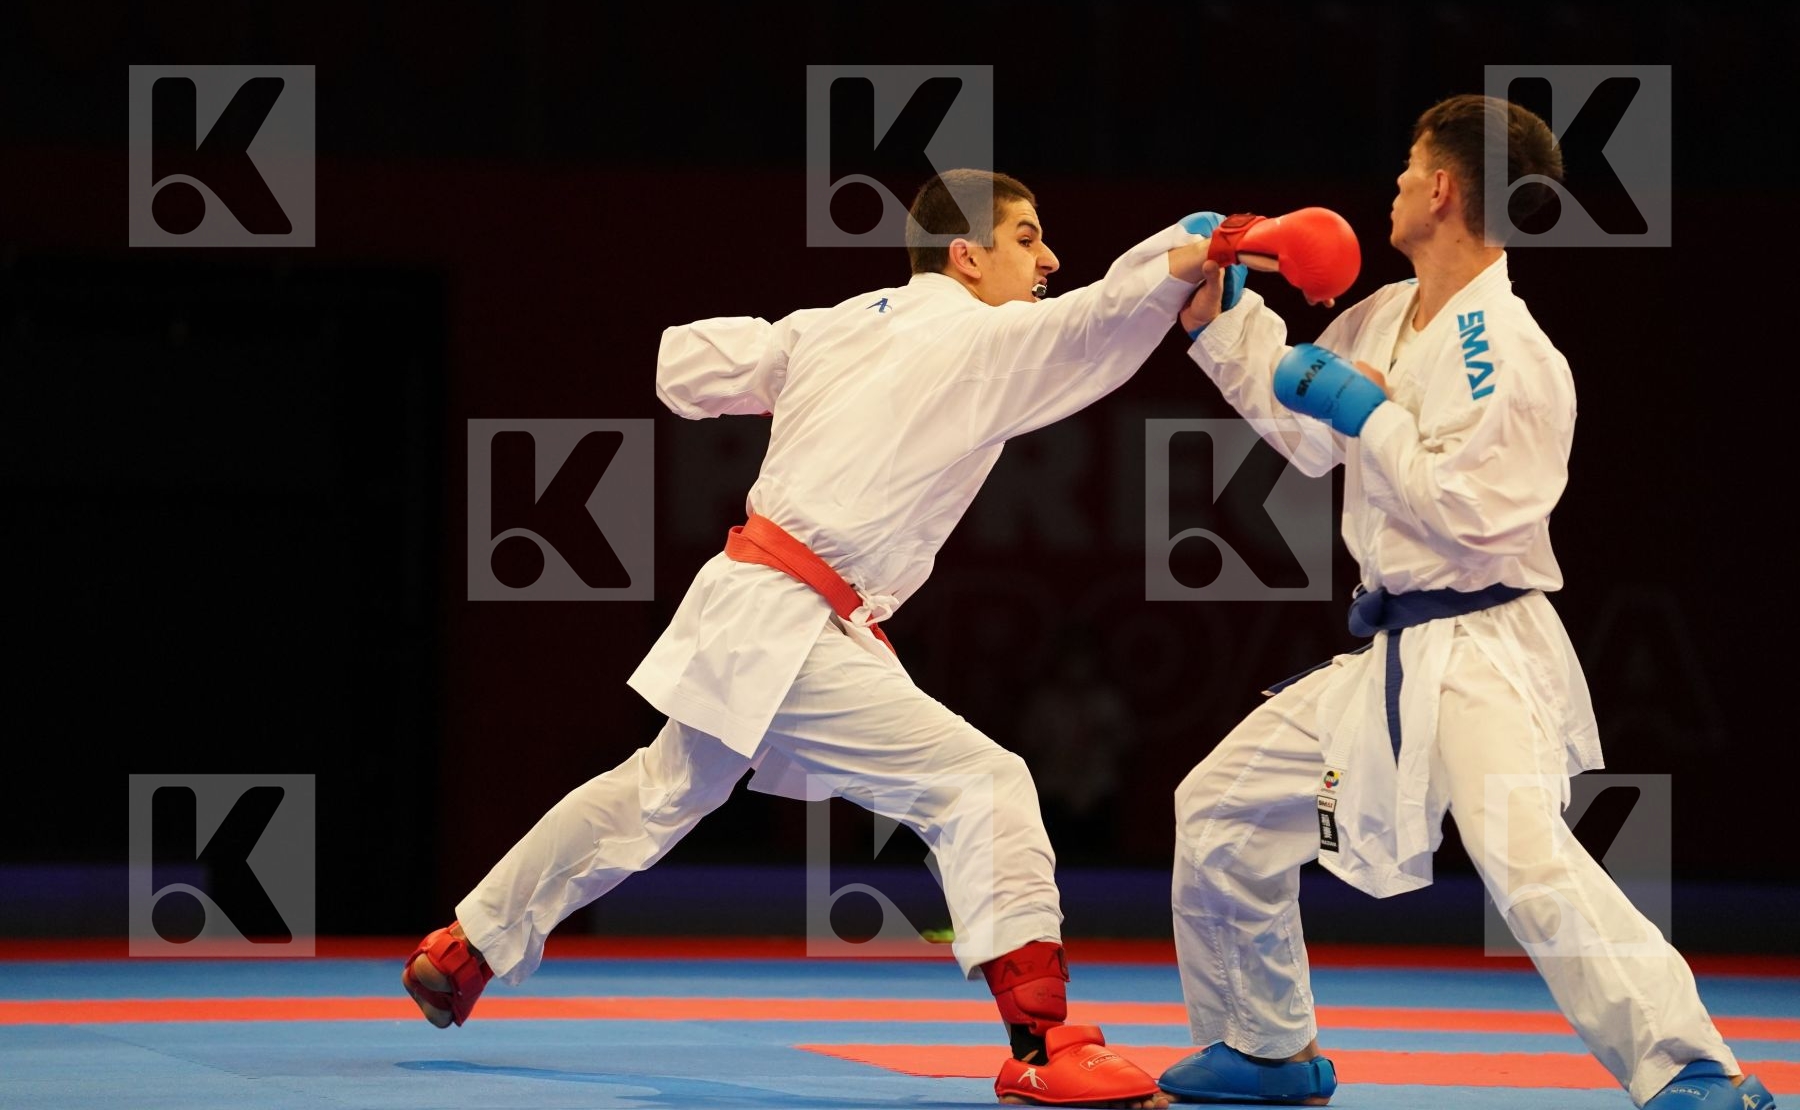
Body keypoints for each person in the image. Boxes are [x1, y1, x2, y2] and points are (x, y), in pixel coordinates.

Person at [403, 168, 1356, 1107]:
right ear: (965, 254)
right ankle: (1038, 1040)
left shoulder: (839, 323)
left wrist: (800, 363)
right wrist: (1216, 246)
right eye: (1027, 238)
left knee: (659, 792)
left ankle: (467, 945)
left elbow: (683, 365)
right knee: (982, 784)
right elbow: (1099, 320)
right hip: (789, 617)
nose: (1048, 258)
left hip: (759, 599)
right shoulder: (977, 339)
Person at [1157, 95, 1776, 1110]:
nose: (1394, 185)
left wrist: (1374, 415)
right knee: (1220, 811)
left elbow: (1473, 511)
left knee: (1530, 863)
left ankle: (1690, 1065)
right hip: (1392, 653)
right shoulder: (1386, 317)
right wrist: (1224, 310)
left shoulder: (1514, 354)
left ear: (1442, 187)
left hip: (1482, 647)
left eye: (1407, 169)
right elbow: (1305, 426)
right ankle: (1264, 1043)